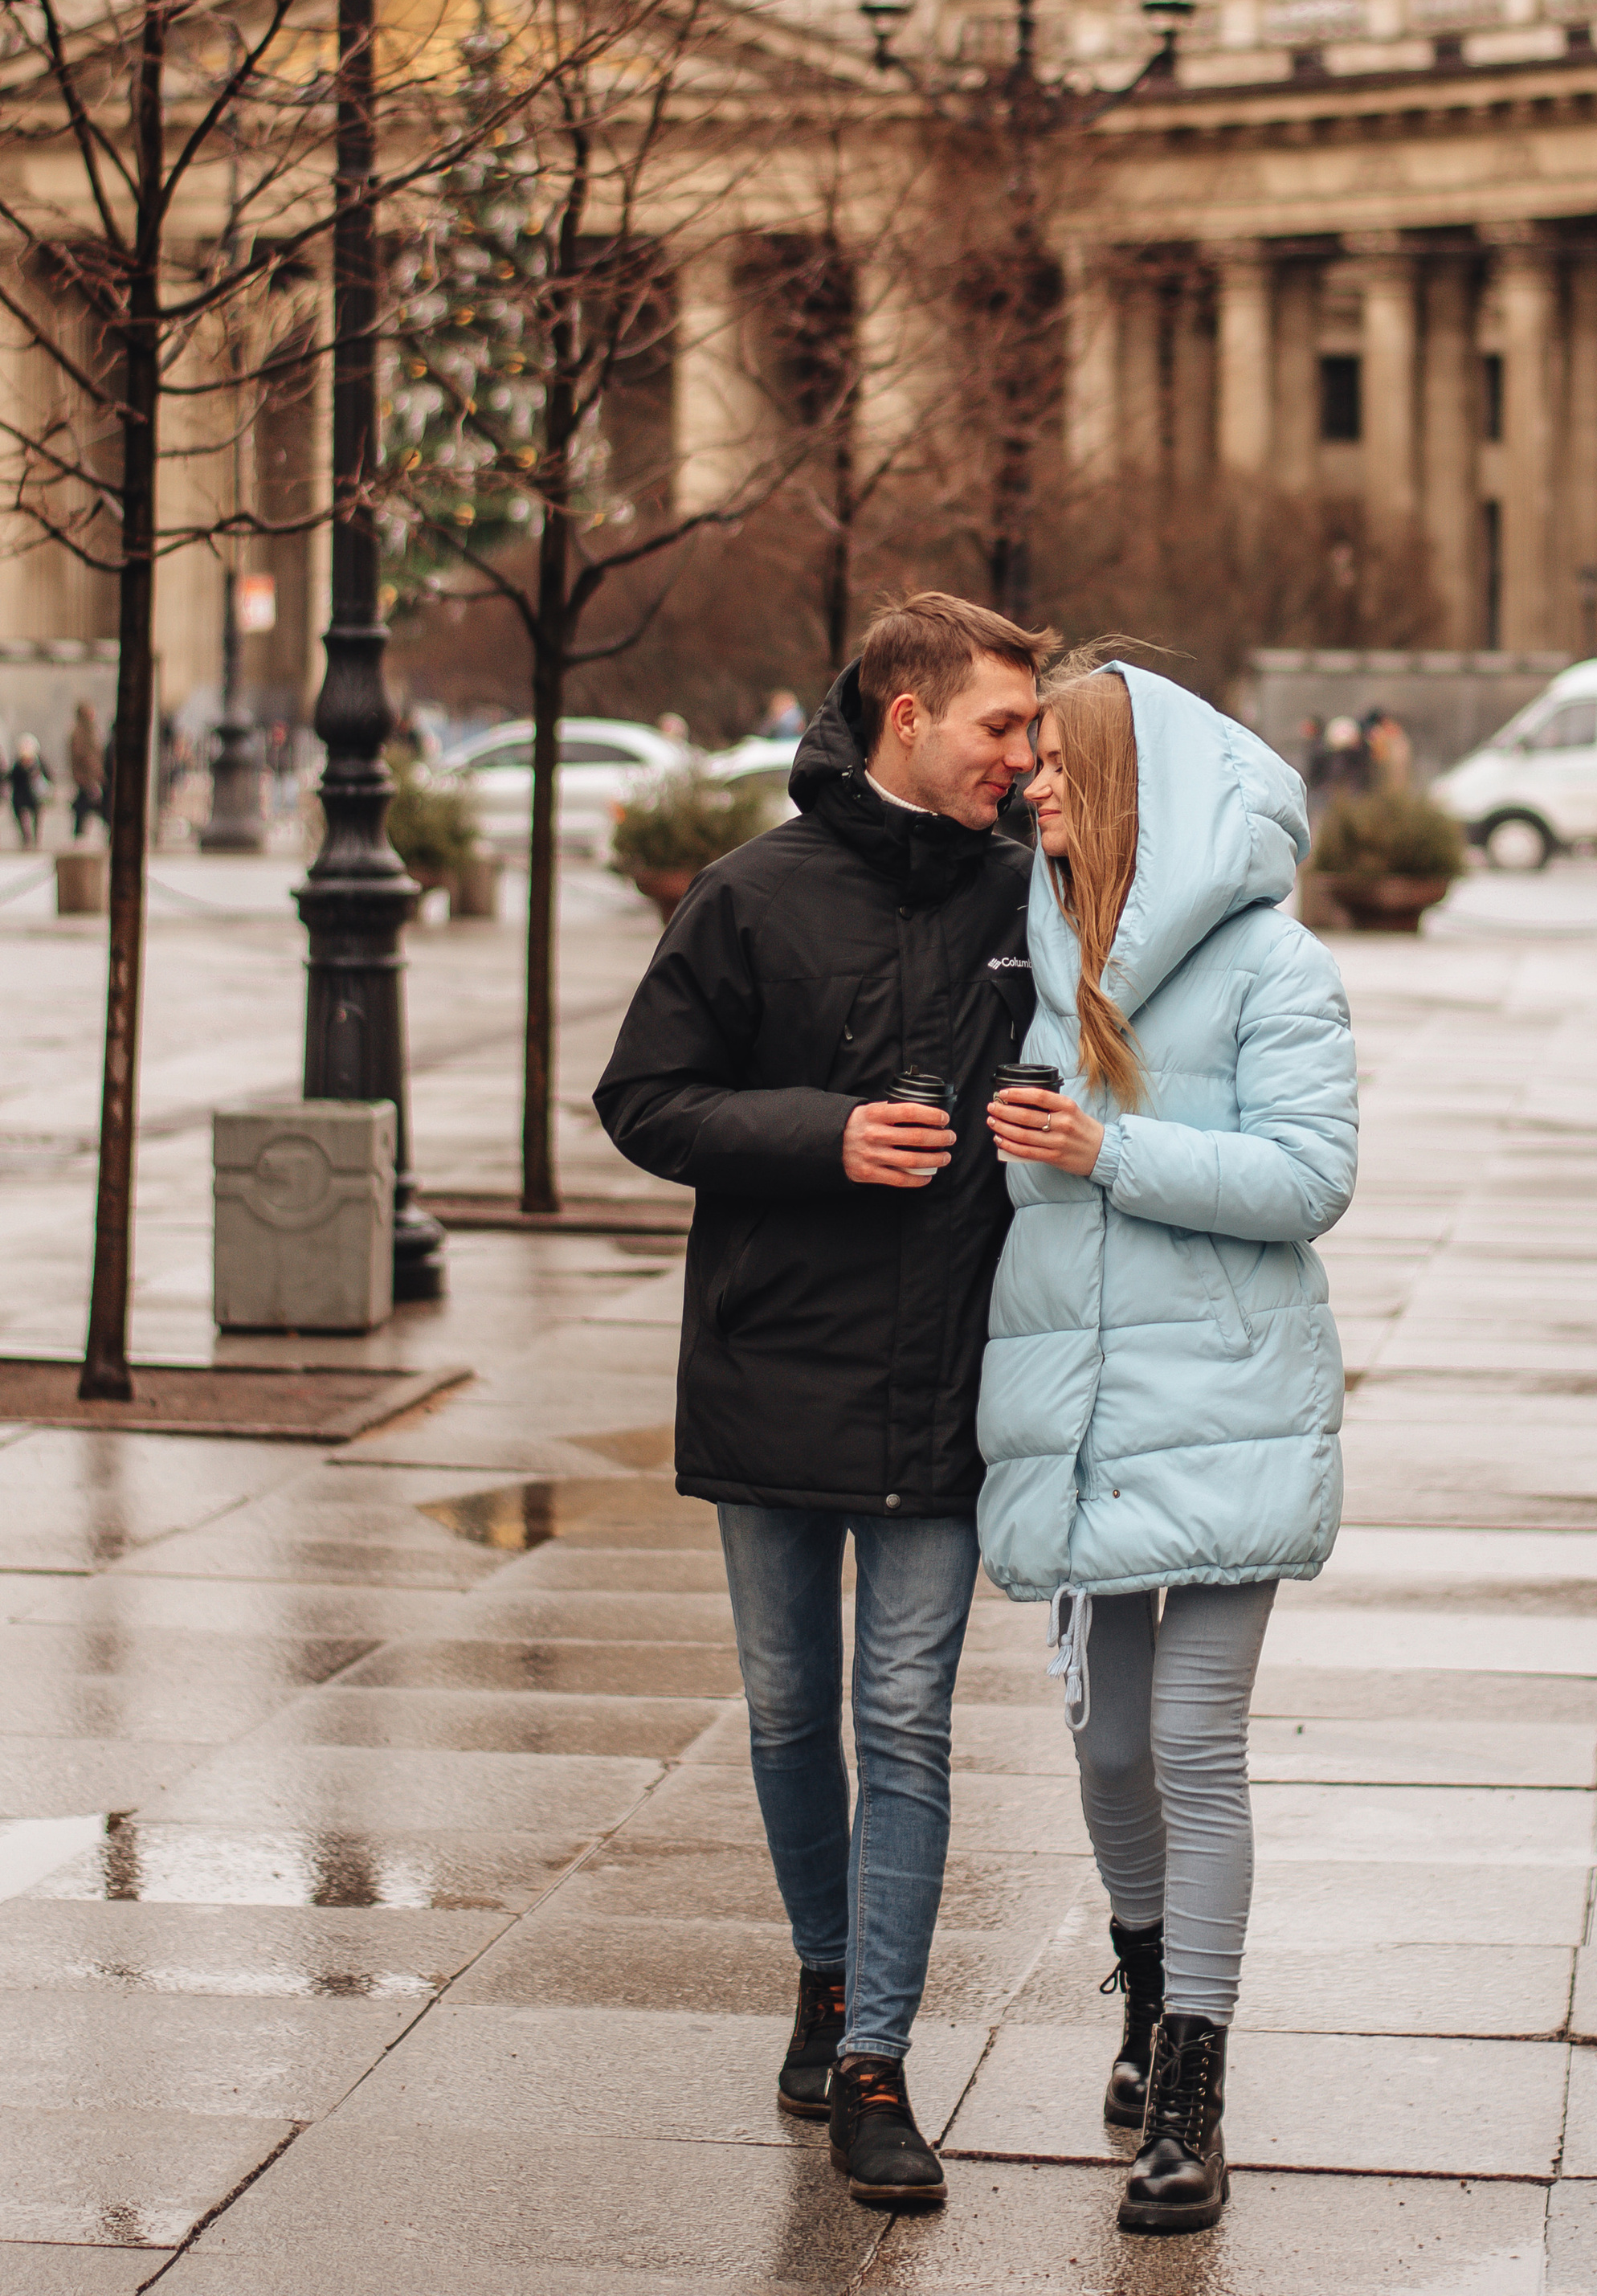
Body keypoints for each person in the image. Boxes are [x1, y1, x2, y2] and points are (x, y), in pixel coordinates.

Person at [594, 590, 1056, 2216]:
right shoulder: (748, 894)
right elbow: (643, 1102)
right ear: (906, 713)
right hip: (771, 1358)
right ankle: (821, 1969)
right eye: (1001, 723)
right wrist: (828, 1134)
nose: (1024, 753)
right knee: (790, 1714)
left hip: (945, 1373)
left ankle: (874, 2062)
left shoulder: (1035, 900)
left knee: (905, 1719)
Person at [979, 664, 1358, 2238]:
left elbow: (1311, 1176)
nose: (1032, 787)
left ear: (1133, 782)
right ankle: (1142, 1987)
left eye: (1060, 765)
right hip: (1076, 1417)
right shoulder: (1034, 946)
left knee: (1194, 1743)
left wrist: (1106, 1147)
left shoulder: (1274, 963)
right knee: (1107, 1745)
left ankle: (1188, 2085)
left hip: (1227, 1407)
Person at [67, 701, 106, 839]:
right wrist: (97, 774)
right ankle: (80, 834)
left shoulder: (89, 730)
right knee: (90, 805)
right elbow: (85, 756)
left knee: (86, 806)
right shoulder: (81, 732)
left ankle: (79, 834)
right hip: (86, 778)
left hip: (88, 778)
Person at [9, 733, 52, 849]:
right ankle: (26, 838)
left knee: (36, 817)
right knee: (20, 815)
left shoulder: (39, 763)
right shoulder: (17, 765)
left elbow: (49, 776)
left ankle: (34, 838)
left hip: (35, 796)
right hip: (20, 796)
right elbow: (11, 779)